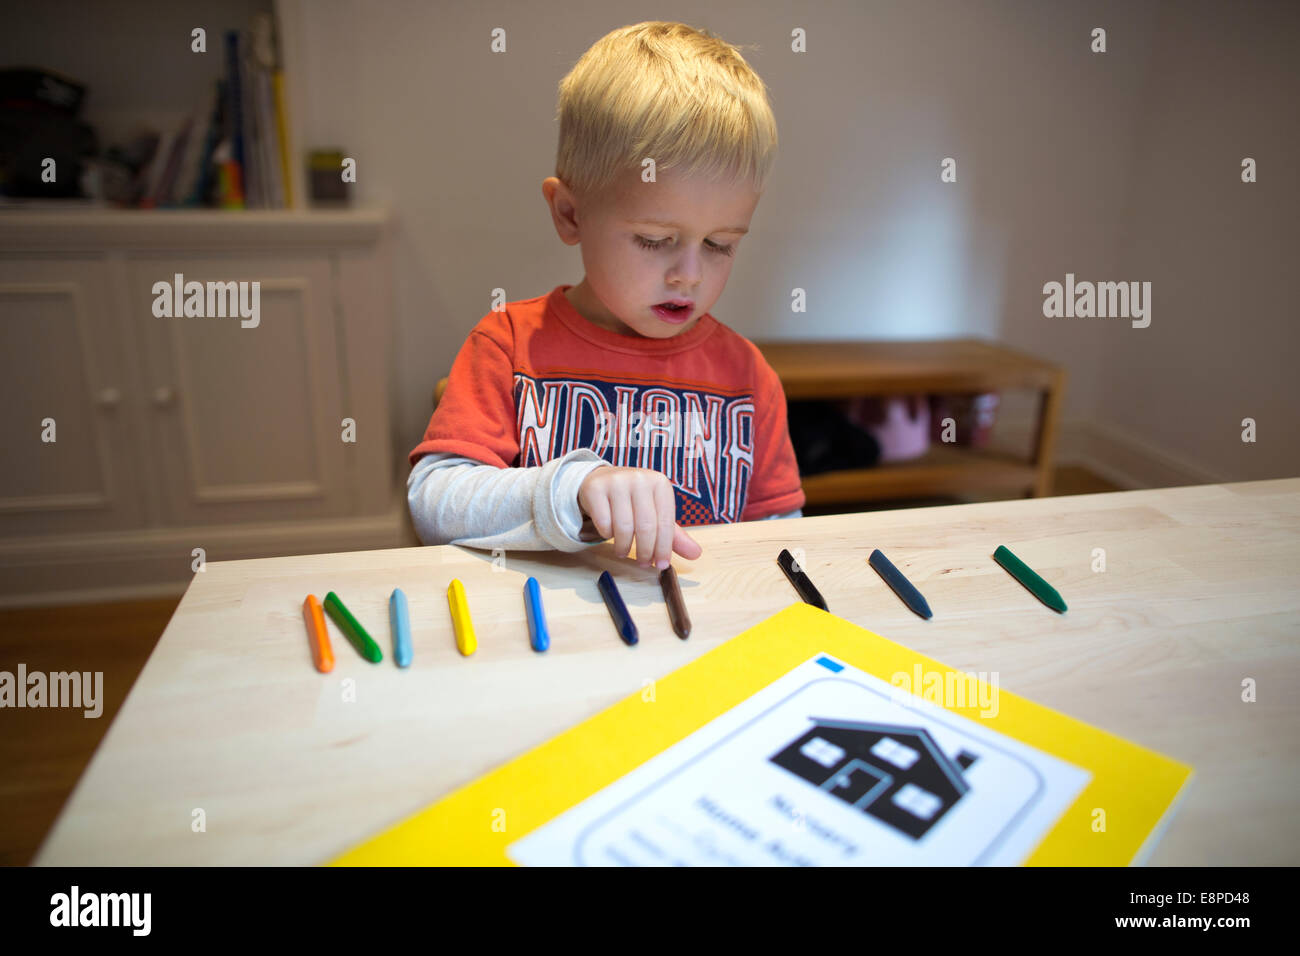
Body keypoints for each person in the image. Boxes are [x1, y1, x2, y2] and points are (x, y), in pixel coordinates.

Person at [408, 21, 804, 571]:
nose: (688, 274)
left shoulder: (746, 375)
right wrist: (572, 488)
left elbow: (777, 537)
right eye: (655, 240)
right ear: (570, 214)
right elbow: (433, 502)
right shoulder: (510, 345)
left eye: (720, 245)